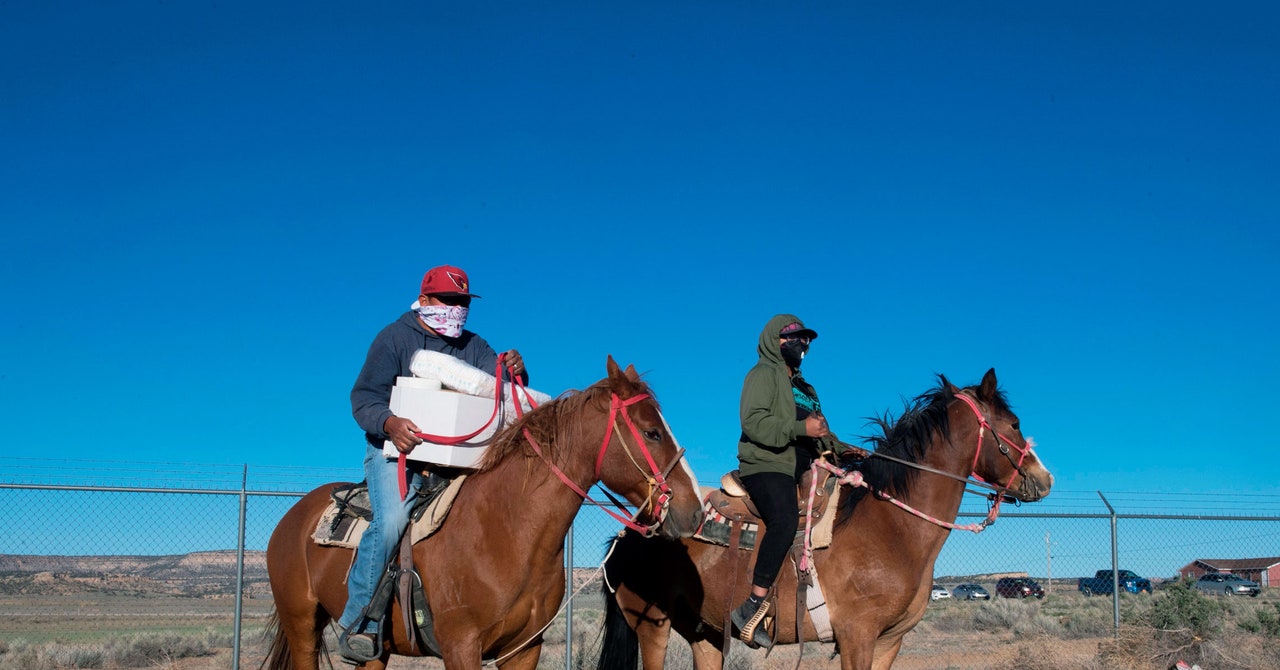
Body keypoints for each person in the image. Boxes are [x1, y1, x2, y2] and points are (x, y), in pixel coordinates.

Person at [338, 264, 528, 662]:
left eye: (462, 302)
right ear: (424, 301)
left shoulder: (475, 347)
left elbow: (502, 398)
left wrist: (517, 373)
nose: (456, 309)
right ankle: (359, 624)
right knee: (391, 520)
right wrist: (390, 423)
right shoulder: (394, 338)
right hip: (396, 452)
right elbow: (364, 398)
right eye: (448, 300)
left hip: (456, 457)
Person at [731, 314, 830, 648]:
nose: (803, 344)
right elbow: (754, 422)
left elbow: (820, 433)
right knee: (785, 518)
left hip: (804, 465)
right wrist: (801, 429)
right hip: (766, 464)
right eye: (794, 337)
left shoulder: (805, 388)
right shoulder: (762, 375)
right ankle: (752, 605)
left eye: (806, 339)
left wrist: (844, 449)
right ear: (776, 341)